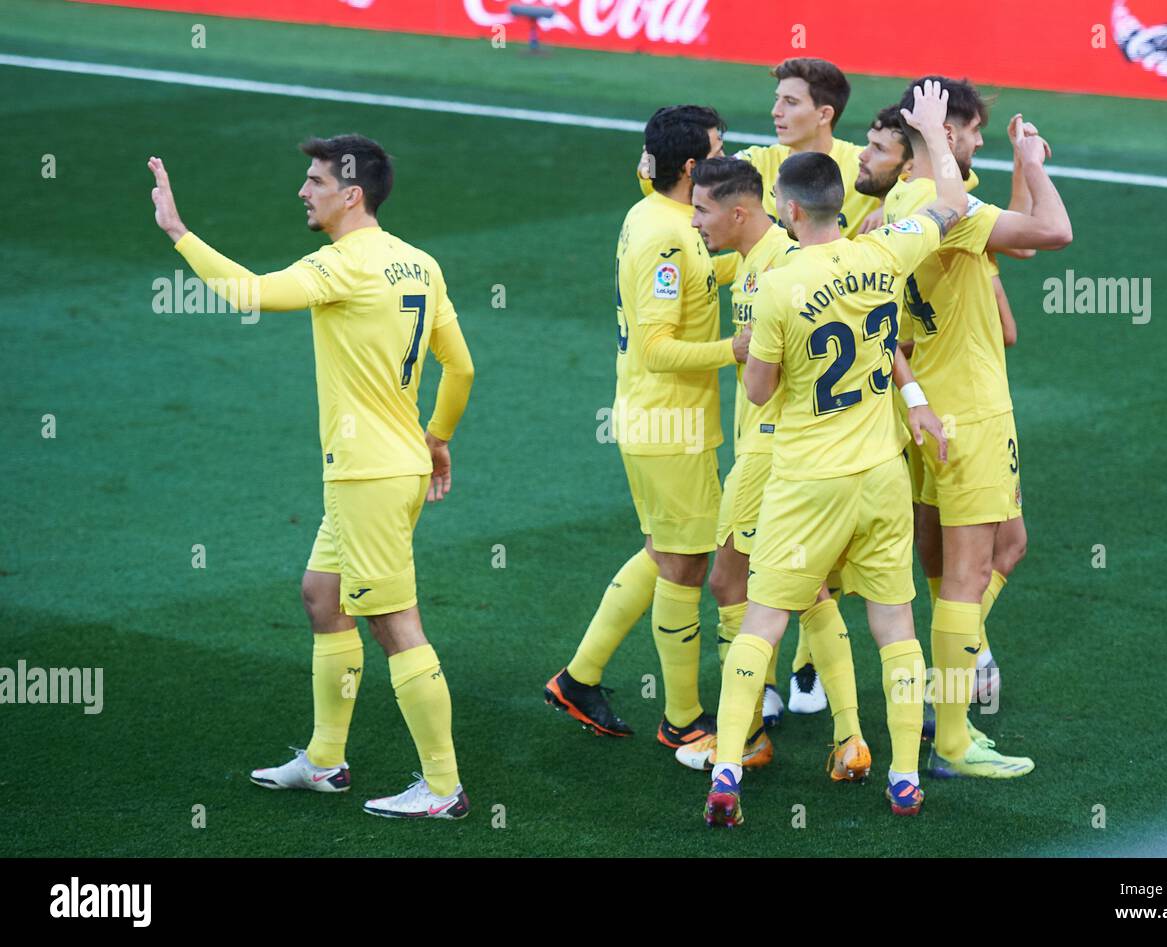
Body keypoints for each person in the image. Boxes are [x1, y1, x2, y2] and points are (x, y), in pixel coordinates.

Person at [147, 134, 476, 818]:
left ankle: (444, 787)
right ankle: (326, 762)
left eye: (316, 181)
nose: (304, 191)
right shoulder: (419, 263)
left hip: (368, 476)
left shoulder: (344, 265)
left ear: (351, 194)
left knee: (393, 623)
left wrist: (179, 232)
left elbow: (252, 293)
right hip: (394, 465)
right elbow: (462, 366)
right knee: (323, 598)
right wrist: (437, 438)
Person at [702, 80, 960, 827]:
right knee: (896, 629)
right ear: (840, 203)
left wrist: (750, 348)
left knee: (762, 622)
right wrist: (935, 136)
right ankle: (905, 775)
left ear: (786, 209)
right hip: (880, 474)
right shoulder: (884, 254)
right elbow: (949, 205)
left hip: (807, 478)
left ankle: (725, 771)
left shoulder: (780, 285)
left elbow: (757, 392)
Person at [544, 106, 747, 753]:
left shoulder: (656, 217)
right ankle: (682, 718)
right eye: (717, 153)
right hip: (670, 422)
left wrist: (748, 256)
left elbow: (694, 275)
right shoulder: (665, 234)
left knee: (667, 551)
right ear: (691, 168)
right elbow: (658, 344)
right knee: (686, 565)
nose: (727, 159)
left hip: (657, 417)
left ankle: (579, 678)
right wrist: (733, 350)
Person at [886, 77, 1072, 779]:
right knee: (965, 577)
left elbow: (1013, 242)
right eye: (973, 135)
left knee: (994, 551)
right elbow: (1052, 232)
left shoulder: (911, 206)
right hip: (972, 411)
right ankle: (954, 737)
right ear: (946, 131)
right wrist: (1038, 166)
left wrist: (1021, 166)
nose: (977, 146)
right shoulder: (948, 205)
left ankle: (948, 678)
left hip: (927, 410)